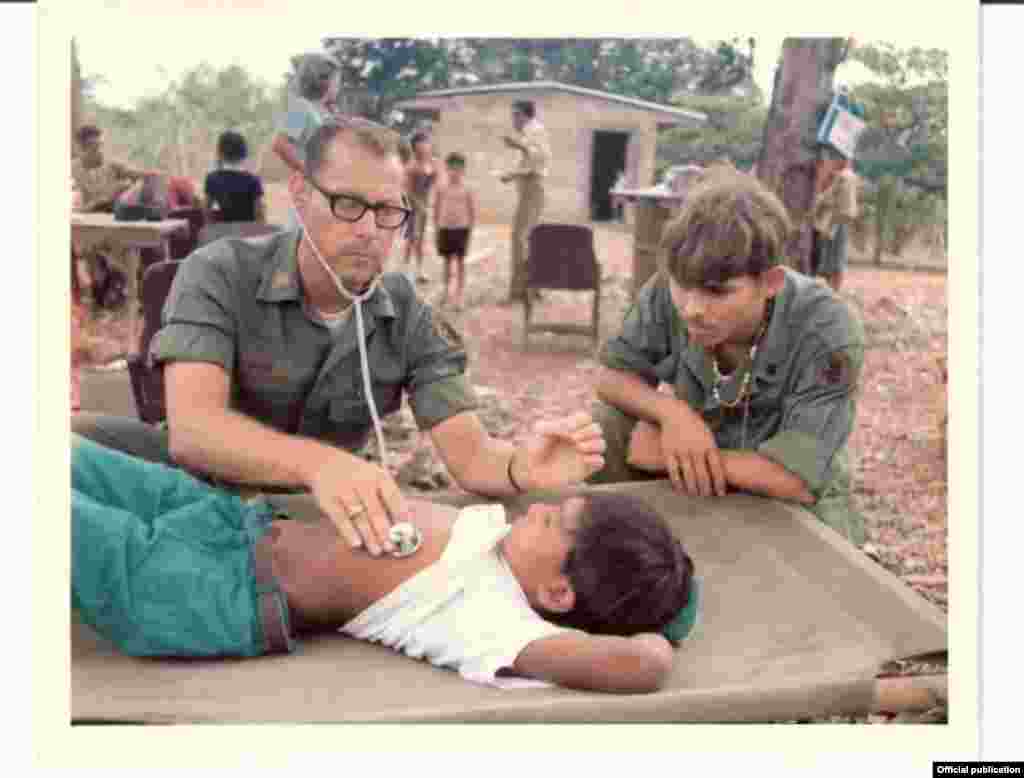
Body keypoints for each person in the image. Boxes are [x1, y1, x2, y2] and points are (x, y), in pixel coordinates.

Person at [73, 117, 607, 558]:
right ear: (301, 194)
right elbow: (194, 429)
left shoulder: (406, 314)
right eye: (348, 204)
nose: (368, 230)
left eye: (387, 211)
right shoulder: (219, 272)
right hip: (191, 496)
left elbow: (470, 455)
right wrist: (320, 464)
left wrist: (520, 467)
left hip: (314, 522)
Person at [71, 435, 694, 693]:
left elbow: (639, 664)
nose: (540, 510)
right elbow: (486, 461)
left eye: (554, 523)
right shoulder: (498, 534)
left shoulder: (494, 622)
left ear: (558, 593)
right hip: (228, 521)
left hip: (211, 589)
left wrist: (666, 629)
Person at [588, 169, 866, 545]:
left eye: (717, 292)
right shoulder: (671, 287)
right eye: (682, 285)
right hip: (703, 473)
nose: (692, 309)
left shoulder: (826, 327)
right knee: (605, 427)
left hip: (791, 502)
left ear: (770, 283)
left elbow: (797, 479)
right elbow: (611, 377)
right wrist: (674, 414)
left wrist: (675, 456)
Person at [271, 52, 341, 229]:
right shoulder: (301, 107)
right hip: (308, 189)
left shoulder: (321, 112)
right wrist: (309, 171)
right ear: (322, 80)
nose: (338, 86)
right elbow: (280, 144)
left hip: (321, 189)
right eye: (336, 80)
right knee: (302, 234)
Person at [499, 100, 551, 303]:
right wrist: (512, 174)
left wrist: (518, 146)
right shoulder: (530, 132)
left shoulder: (535, 130)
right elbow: (530, 163)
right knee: (528, 238)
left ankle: (522, 290)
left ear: (523, 115)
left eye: (515, 115)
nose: (513, 120)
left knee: (520, 238)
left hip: (532, 188)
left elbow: (539, 160)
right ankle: (532, 287)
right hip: (530, 187)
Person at [810, 147, 859, 293]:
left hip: (833, 221)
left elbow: (829, 198)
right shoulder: (847, 175)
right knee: (832, 261)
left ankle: (830, 292)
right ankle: (830, 292)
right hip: (835, 221)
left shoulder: (843, 177)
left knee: (833, 261)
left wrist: (815, 203)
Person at [433, 152, 476, 311]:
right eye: (451, 169)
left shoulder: (467, 188)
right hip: (445, 228)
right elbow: (436, 207)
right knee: (446, 261)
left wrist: (470, 229)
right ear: (446, 169)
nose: (454, 173)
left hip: (461, 229)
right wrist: (436, 227)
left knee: (460, 262)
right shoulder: (441, 187)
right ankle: (446, 291)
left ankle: (459, 295)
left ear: (463, 170)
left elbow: (471, 210)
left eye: (458, 169)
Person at [204, 130, 266, 223]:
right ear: (244, 153)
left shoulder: (212, 179)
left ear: (220, 153)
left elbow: (207, 211)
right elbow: (259, 214)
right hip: (247, 231)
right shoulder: (253, 180)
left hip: (222, 231)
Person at [403, 131, 440, 282]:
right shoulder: (412, 166)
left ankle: (419, 270)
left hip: (423, 205)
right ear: (415, 149)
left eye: (426, 146)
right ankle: (406, 270)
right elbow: (408, 191)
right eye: (420, 148)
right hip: (412, 205)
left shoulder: (432, 164)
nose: (424, 150)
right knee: (412, 237)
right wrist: (420, 205)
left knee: (421, 238)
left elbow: (435, 184)